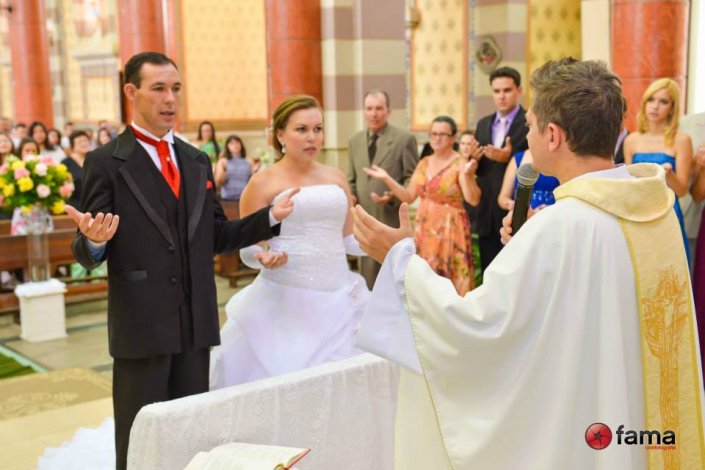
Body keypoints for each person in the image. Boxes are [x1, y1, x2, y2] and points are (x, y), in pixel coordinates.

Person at [352, 58, 704, 469]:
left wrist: (399, 262)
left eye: (531, 125)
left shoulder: (559, 226)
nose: (528, 135)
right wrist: (530, 244)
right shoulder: (653, 210)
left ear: (553, 136)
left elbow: (477, 327)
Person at [65, 51, 296, 470]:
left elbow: (216, 235)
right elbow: (88, 246)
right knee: (139, 436)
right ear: (131, 92)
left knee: (191, 434)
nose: (170, 98)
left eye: (175, 88)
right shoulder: (105, 162)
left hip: (195, 321)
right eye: (158, 88)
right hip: (142, 323)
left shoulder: (196, 160)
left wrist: (268, 218)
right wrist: (94, 242)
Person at [210, 95, 369, 388]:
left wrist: (386, 242)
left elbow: (348, 240)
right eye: (302, 129)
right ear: (281, 134)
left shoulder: (336, 177)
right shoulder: (262, 182)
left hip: (340, 297)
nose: (312, 137)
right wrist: (261, 257)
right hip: (286, 300)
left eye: (318, 129)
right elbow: (248, 246)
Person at [364, 116, 480, 295]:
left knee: (451, 282)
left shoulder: (460, 163)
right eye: (433, 134)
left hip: (451, 229)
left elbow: (473, 199)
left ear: (452, 138)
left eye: (442, 134)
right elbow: (409, 196)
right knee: (426, 279)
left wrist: (468, 176)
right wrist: (387, 178)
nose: (437, 138)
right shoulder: (424, 163)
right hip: (425, 230)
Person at [347, 89, 419, 289]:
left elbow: (412, 180)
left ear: (388, 111)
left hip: (391, 220)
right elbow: (351, 180)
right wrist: (351, 197)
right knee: (368, 280)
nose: (374, 113)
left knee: (392, 280)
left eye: (379, 108)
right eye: (369, 108)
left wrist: (393, 196)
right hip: (364, 222)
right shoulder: (354, 141)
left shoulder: (404, 139)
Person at [623, 78, 692, 259]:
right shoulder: (631, 140)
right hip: (638, 212)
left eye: (663, 102)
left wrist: (668, 174)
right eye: (651, 99)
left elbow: (682, 190)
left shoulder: (682, 140)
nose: (655, 106)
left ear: (672, 108)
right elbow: (629, 184)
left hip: (668, 212)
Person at [473, 66, 528, 272]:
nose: (501, 96)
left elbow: (535, 161)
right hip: (487, 211)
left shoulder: (529, 122)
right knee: (489, 271)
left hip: (515, 209)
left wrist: (508, 158)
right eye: (497, 91)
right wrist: (472, 158)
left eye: (507, 90)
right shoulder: (483, 124)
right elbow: (480, 168)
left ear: (519, 90)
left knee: (515, 272)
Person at [214, 134, 256, 202]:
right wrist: (222, 169)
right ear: (227, 146)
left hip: (245, 198)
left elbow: (254, 181)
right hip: (227, 198)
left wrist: (255, 170)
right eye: (232, 143)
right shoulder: (223, 161)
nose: (235, 145)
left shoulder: (249, 160)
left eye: (237, 142)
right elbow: (218, 182)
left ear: (241, 145)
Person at [61, 130, 91, 208]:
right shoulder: (65, 163)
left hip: (93, 203)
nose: (84, 143)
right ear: (72, 146)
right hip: (74, 204)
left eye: (85, 140)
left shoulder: (93, 160)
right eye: (80, 142)